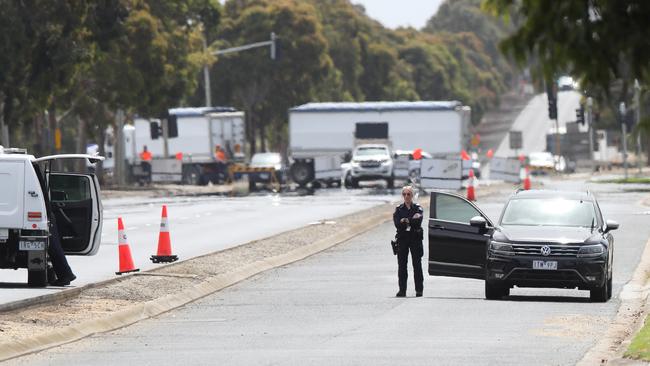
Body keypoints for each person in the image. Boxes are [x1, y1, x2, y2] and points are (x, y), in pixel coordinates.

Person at [393, 185, 424, 297]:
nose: (406, 196)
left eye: (408, 194)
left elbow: (418, 221)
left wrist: (406, 220)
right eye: (404, 194)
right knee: (402, 265)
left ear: (412, 195)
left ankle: (419, 290)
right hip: (403, 239)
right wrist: (410, 220)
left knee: (417, 265)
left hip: (415, 239)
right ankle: (402, 290)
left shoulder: (417, 208)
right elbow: (397, 223)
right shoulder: (399, 209)